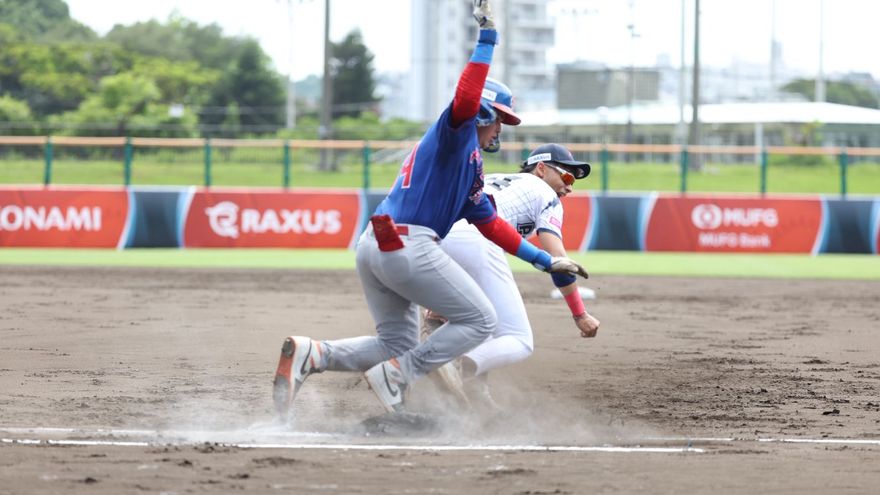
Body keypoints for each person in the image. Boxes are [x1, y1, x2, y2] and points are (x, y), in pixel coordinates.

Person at [272, 0, 589, 419]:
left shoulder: (468, 166)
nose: (501, 129)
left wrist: (545, 261)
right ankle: (399, 376)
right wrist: (488, 36)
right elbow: (467, 95)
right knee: (480, 319)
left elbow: (493, 226)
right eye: (500, 119)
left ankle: (314, 354)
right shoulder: (457, 134)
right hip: (408, 243)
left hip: (375, 244)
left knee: (395, 343)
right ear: (484, 113)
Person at [422, 143, 601, 413]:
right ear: (541, 169)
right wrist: (580, 314)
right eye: (566, 176)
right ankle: (453, 364)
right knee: (519, 340)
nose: (569, 187)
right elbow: (558, 260)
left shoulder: (495, 179)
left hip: (434, 239)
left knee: (481, 320)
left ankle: (469, 389)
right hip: (474, 241)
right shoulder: (545, 193)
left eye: (574, 181)